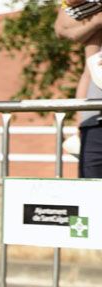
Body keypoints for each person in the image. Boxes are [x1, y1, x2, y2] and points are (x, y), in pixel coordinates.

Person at [56, 1, 102, 178]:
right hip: (94, 123)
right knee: (90, 194)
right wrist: (80, 124)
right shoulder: (95, 17)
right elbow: (61, 28)